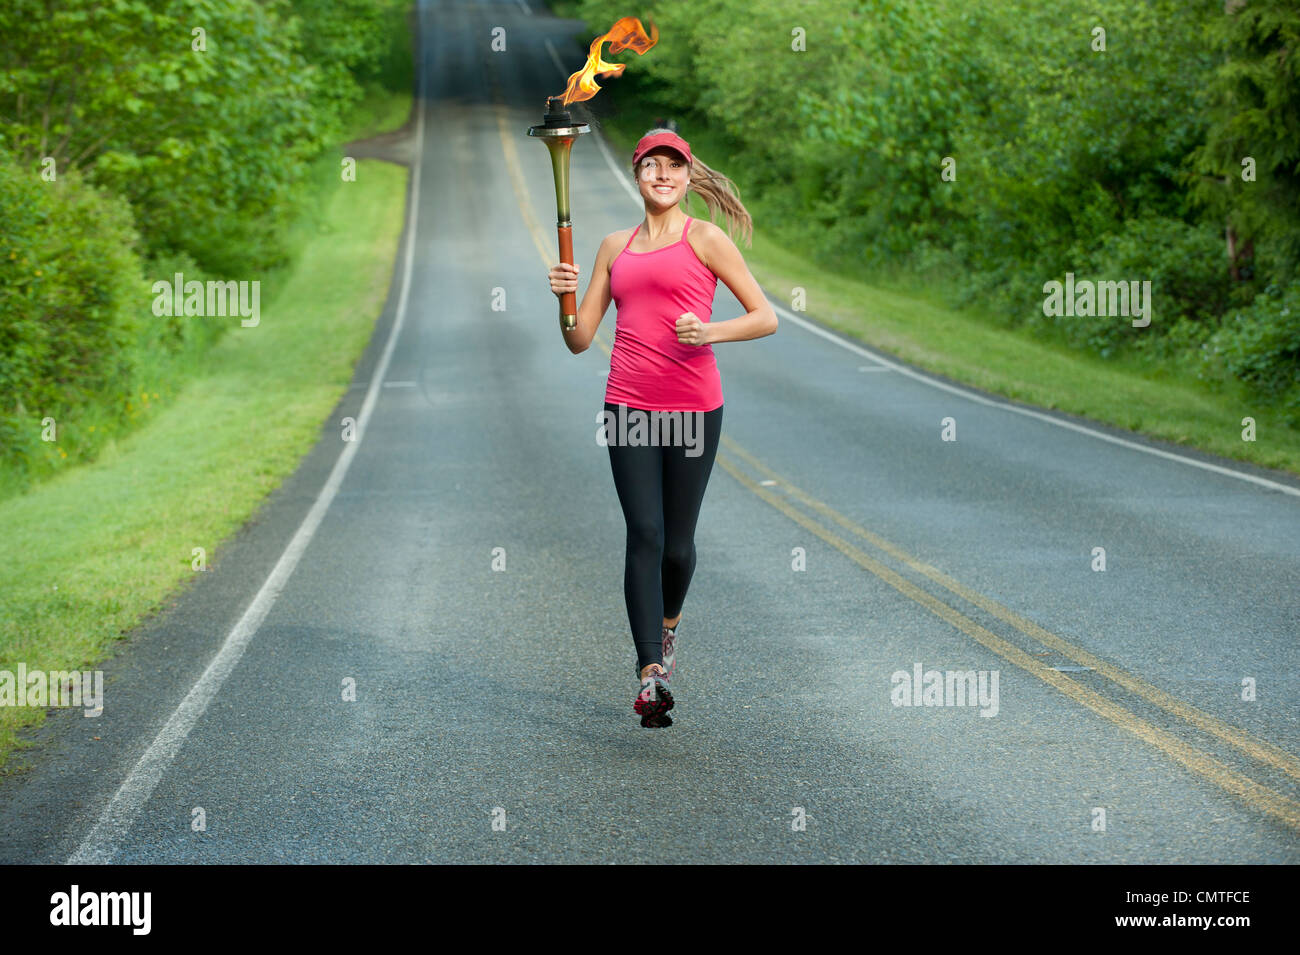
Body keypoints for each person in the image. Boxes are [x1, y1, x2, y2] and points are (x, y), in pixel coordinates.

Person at [547, 129, 777, 728]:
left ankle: (668, 628)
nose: (664, 175)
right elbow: (577, 341)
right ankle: (651, 672)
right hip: (628, 406)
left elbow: (765, 316)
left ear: (687, 175)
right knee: (644, 532)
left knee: (678, 545)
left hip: (694, 410)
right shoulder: (611, 247)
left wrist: (711, 331)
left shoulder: (706, 239)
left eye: (674, 166)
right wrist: (565, 299)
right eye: (653, 165)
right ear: (637, 174)